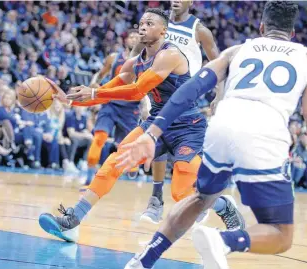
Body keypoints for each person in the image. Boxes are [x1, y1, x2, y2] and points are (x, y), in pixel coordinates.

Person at [117, 2, 307, 269]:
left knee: (201, 198)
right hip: (264, 132)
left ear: (261, 27)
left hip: (222, 125)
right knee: (282, 234)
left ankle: (143, 260)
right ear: (292, 33)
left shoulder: (237, 51)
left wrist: (153, 132)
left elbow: (191, 88)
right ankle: (223, 241)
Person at [38, 8, 243, 243]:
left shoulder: (171, 55)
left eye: (150, 23)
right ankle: (73, 221)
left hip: (188, 126)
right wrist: (70, 99)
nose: (143, 26)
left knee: (181, 192)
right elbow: (108, 90)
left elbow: (137, 91)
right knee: (115, 161)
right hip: (155, 123)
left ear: (164, 30)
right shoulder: (134, 62)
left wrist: (94, 91)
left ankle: (222, 204)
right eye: (141, 23)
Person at [140, 0, 228, 224]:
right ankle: (156, 199)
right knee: (153, 143)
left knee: (185, 158)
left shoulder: (199, 31)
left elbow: (218, 62)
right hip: (157, 91)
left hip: (185, 98)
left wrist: (219, 94)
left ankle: (202, 198)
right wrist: (141, 97)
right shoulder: (156, 23)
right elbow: (139, 57)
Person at [84, 30, 141, 185]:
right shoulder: (114, 58)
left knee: (128, 145)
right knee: (99, 137)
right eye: (131, 36)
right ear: (126, 40)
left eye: (137, 37)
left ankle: (132, 167)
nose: (134, 39)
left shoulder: (146, 60)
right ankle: (89, 177)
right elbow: (99, 75)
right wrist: (93, 84)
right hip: (110, 102)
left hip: (130, 107)